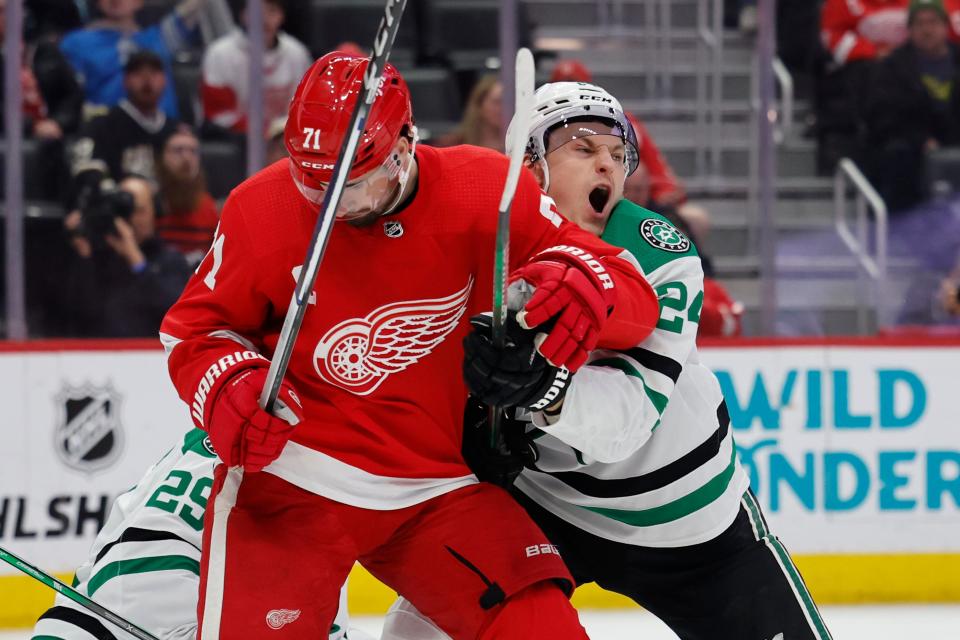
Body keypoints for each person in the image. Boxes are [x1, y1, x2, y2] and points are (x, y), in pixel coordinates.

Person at [158, 52, 660, 638]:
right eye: (312, 183)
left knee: (538, 623)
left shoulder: (483, 188)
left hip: (438, 484)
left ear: (405, 145)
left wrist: (586, 283)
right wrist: (228, 386)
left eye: (353, 184)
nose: (329, 205)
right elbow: (195, 330)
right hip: (295, 480)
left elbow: (633, 299)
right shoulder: (261, 208)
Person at [448, 82, 832, 640]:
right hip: (545, 503)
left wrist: (542, 391)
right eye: (583, 148)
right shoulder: (480, 247)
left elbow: (625, 421)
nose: (607, 163)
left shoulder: (656, 250)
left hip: (691, 524)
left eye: (616, 151)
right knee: (430, 627)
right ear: (528, 167)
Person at [30, 427, 361, 640]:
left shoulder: (197, 441)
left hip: (95, 618)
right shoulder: (310, 478)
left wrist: (81, 601)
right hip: (117, 618)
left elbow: (117, 525)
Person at [60, 175, 190, 337]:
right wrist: (84, 255)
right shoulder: (99, 256)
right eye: (125, 211)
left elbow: (176, 313)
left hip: (151, 356)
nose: (132, 219)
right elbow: (76, 315)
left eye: (139, 211)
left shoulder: (170, 260)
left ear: (154, 212)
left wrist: (136, 260)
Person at [549, 59, 687, 211]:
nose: (570, 93)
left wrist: (665, 189)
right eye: (563, 86)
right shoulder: (545, 127)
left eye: (576, 84)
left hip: (623, 200)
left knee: (694, 217)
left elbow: (656, 166)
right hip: (572, 199)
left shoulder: (622, 121)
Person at [59, 0, 232, 120]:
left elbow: (197, 6)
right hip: (107, 129)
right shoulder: (75, 42)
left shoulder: (159, 37)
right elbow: (67, 94)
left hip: (162, 132)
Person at [864, 0, 960, 210]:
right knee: (898, 157)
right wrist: (920, 140)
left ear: (945, 26)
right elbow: (882, 116)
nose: (927, 30)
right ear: (909, 29)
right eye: (919, 23)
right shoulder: (891, 68)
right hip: (910, 151)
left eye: (933, 22)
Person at [200, 0, 311, 136]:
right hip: (238, 138)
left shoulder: (297, 52)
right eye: (257, 11)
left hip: (286, 136)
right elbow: (220, 115)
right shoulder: (220, 54)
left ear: (281, 16)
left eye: (272, 11)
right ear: (243, 15)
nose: (264, 19)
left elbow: (306, 106)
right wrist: (264, 131)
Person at [69, 50, 179, 183]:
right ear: (125, 81)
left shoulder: (175, 131)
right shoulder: (102, 126)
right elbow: (87, 178)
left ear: (165, 80)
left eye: (154, 73)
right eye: (138, 73)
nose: (147, 79)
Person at [155, 126, 220, 265]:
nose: (186, 158)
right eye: (178, 151)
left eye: (193, 151)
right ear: (161, 157)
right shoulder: (149, 205)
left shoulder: (209, 207)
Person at [431, 74, 504, 151]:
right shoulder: (451, 144)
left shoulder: (516, 146)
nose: (503, 108)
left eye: (510, 102)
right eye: (497, 102)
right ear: (479, 105)